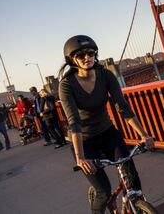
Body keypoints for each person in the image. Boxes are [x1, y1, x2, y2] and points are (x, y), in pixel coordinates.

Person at [58, 35, 154, 214]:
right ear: (72, 60)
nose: (87, 58)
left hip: (108, 133)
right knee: (103, 192)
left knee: (132, 178)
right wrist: (80, 157)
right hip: (85, 143)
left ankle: (137, 204)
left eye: (90, 53)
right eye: (81, 55)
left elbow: (123, 108)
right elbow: (74, 123)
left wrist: (144, 135)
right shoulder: (66, 86)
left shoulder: (105, 75)